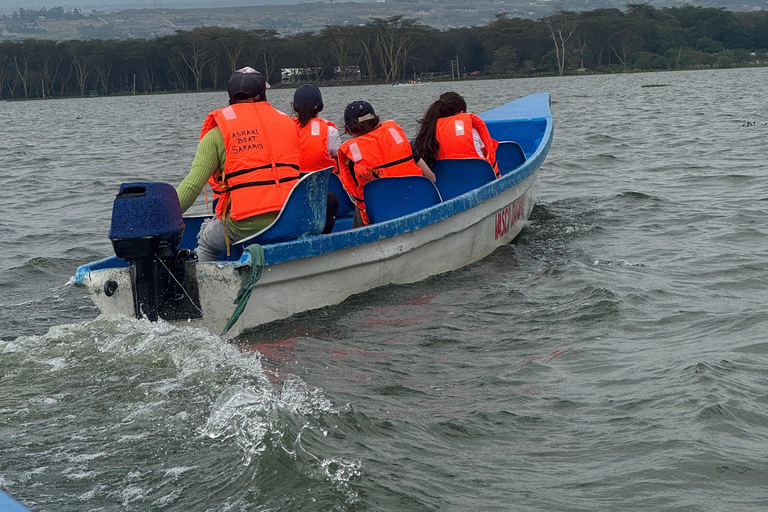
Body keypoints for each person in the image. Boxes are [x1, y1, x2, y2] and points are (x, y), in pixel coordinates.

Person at [176, 67, 302, 261]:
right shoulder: (289, 124)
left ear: (230, 98)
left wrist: (162, 218)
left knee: (207, 239)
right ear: (263, 96)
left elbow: (192, 186)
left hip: (247, 225)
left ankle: (203, 284)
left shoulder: (216, 135)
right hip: (292, 217)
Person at [337, 100, 436, 227]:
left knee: (360, 204)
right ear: (376, 121)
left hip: (381, 217)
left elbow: (359, 200)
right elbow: (431, 178)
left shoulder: (352, 158)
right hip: (415, 206)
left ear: (347, 129)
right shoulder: (400, 142)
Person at [414, 91, 500, 177]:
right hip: (476, 179)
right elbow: (485, 159)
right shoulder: (472, 132)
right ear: (461, 113)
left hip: (443, 182)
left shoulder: (427, 134)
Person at [292, 84, 341, 173]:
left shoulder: (285, 128)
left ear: (295, 107)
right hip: (327, 184)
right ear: (320, 107)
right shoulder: (330, 131)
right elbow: (340, 161)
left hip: (294, 184)